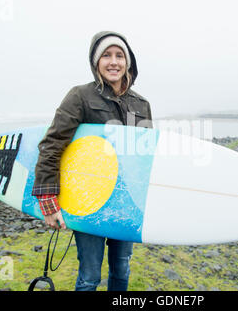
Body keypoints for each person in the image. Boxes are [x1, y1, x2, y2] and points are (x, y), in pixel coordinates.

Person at [32, 31, 153, 291]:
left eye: (119, 56)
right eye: (106, 55)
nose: (113, 62)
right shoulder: (80, 97)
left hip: (126, 201)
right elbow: (52, 145)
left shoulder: (141, 104)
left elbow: (144, 159)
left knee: (121, 270)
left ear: (128, 61)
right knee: (89, 275)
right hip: (90, 199)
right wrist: (48, 199)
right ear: (96, 62)